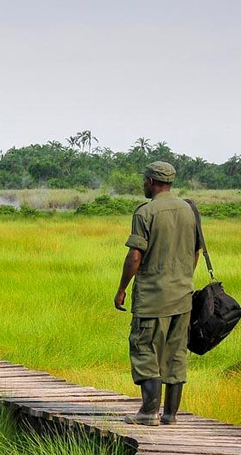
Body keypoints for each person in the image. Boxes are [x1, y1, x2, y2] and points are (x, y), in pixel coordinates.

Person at [114, 161, 199, 426]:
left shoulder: (145, 213)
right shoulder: (189, 210)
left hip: (152, 298)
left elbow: (134, 256)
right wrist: (182, 278)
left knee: (144, 349)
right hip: (182, 297)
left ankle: (148, 412)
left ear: (151, 181)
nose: (143, 184)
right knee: (175, 353)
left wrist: (122, 288)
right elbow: (195, 252)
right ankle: (170, 415)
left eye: (144, 180)